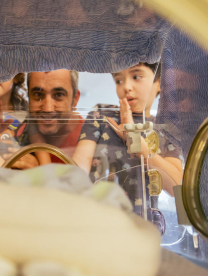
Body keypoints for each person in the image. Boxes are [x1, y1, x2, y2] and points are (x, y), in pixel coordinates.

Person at [73, 63, 183, 197]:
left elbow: (175, 185)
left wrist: (134, 138)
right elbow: (79, 168)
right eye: (119, 81)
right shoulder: (101, 114)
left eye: (136, 76)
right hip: (98, 211)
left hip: (145, 217)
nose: (126, 87)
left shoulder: (167, 128)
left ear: (160, 83)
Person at [14, 69, 83, 165]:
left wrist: (36, 174)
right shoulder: (19, 134)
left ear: (75, 99)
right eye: (38, 94)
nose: (48, 109)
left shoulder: (92, 138)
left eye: (59, 95)